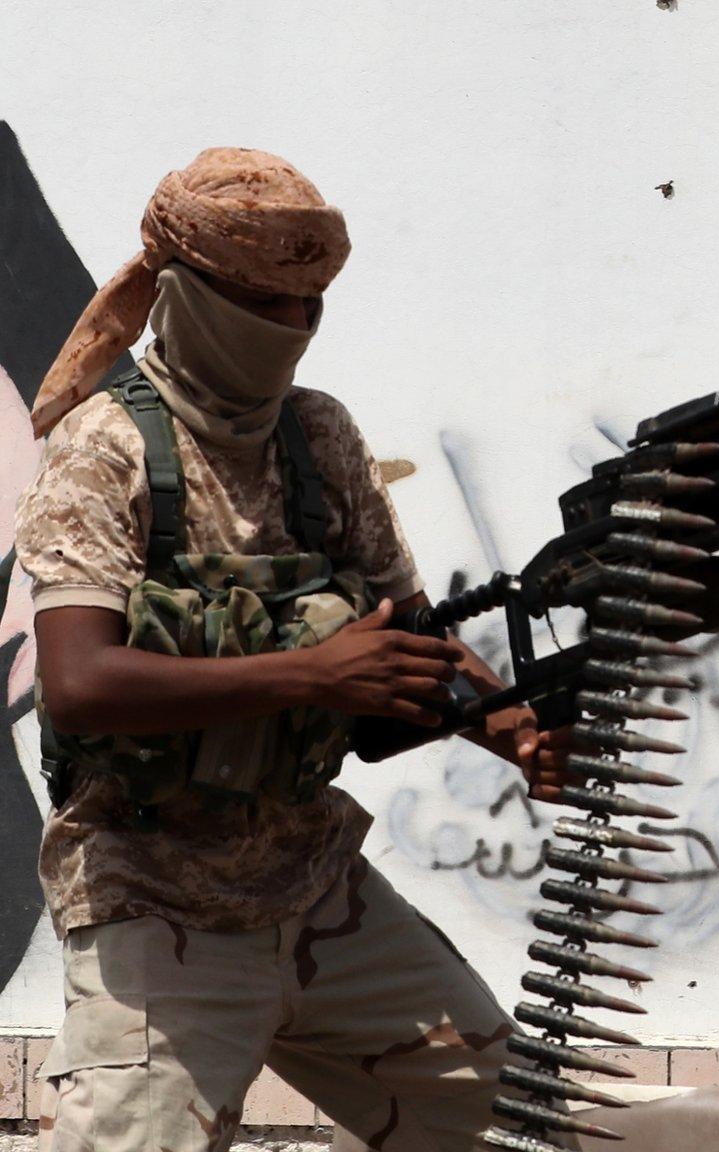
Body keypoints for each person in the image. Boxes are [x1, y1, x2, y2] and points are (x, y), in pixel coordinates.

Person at [17, 148, 578, 1152]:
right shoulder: (104, 449)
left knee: (511, 1126)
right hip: (154, 902)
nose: (289, 331)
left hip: (317, 888)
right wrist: (311, 673)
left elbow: (409, 633)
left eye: (306, 306)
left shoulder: (318, 437)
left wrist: (516, 729)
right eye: (260, 306)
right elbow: (80, 682)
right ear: (186, 299)